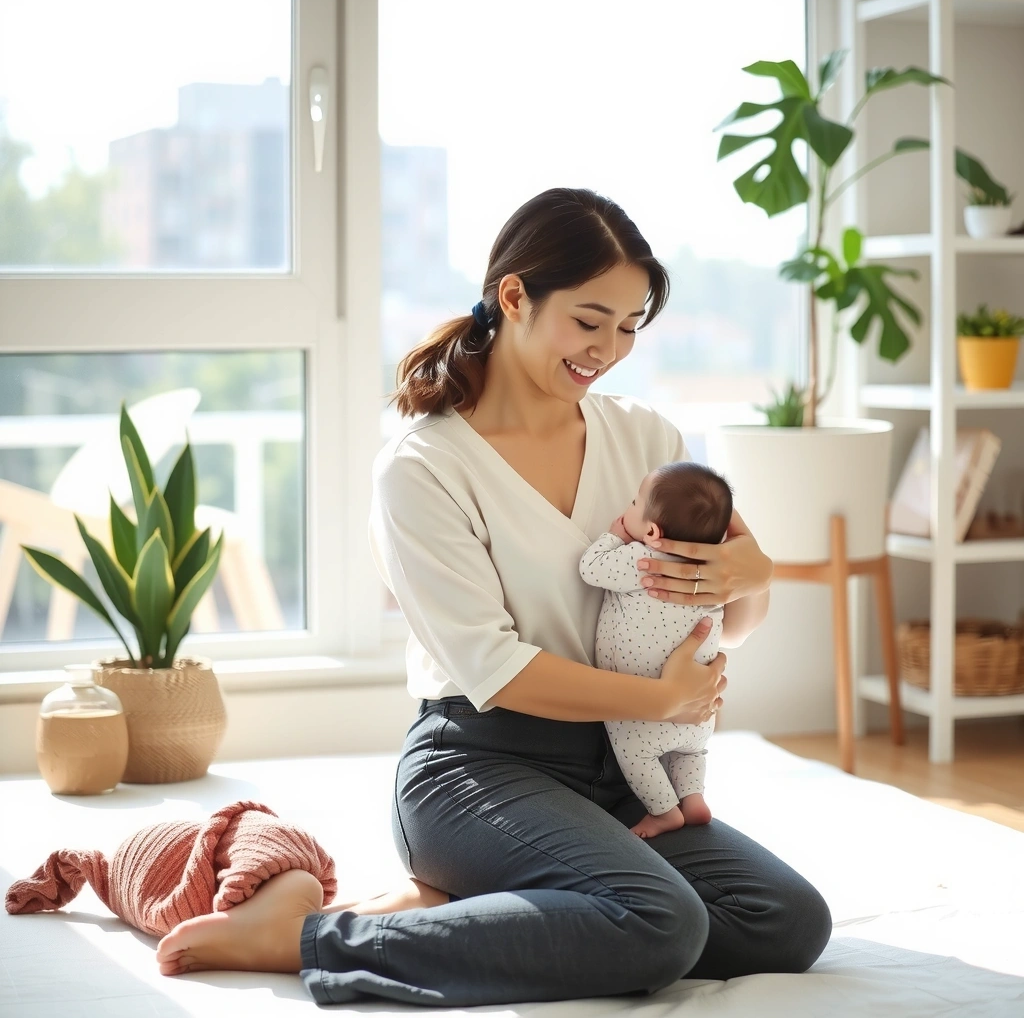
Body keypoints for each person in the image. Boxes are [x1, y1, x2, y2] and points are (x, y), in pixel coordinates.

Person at [154, 188, 832, 1006]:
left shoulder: (647, 440)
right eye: (588, 322)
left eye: (628, 326)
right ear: (515, 297)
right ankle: (310, 937)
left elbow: (722, 617)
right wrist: (661, 695)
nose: (609, 350)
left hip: (621, 768)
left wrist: (752, 578)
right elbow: (496, 669)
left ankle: (489, 910)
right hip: (478, 768)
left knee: (787, 921)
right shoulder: (426, 465)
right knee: (661, 923)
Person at [579, 461, 733, 840]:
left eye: (633, 502)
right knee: (691, 752)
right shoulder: (710, 572)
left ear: (651, 530)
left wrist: (613, 537)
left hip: (644, 707)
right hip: (700, 703)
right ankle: (693, 798)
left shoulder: (640, 560)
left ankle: (664, 811)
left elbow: (590, 569)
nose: (627, 508)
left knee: (636, 753)